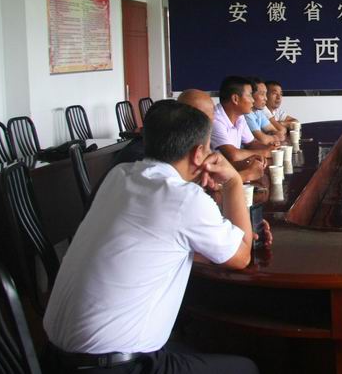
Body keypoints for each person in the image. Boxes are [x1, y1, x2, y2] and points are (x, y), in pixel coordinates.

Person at [43, 100, 271, 374]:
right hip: (114, 366)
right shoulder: (184, 199)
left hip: (54, 356)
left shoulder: (119, 175)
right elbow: (241, 256)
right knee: (245, 368)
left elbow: (159, 237)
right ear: (199, 153)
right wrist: (233, 181)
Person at [108, 90, 265, 184]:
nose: (213, 120)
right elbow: (186, 185)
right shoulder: (145, 156)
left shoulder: (185, 139)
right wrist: (243, 176)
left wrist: (240, 165)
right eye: (210, 115)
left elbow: (206, 169)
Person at [212, 76, 271, 167]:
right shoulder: (215, 119)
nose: (253, 100)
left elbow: (251, 143)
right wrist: (264, 153)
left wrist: (270, 148)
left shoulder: (240, 116)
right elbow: (233, 155)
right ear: (235, 99)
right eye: (250, 95)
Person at [244, 77, 286, 147]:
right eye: (262, 94)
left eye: (265, 94)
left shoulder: (258, 112)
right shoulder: (246, 114)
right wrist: (272, 137)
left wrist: (270, 136)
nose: (266, 98)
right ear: (250, 95)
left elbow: (278, 133)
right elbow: (263, 139)